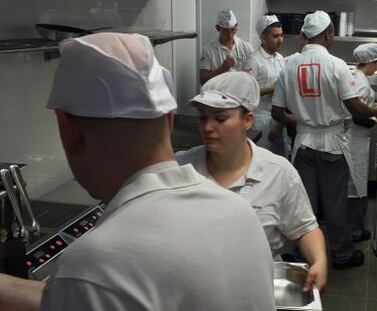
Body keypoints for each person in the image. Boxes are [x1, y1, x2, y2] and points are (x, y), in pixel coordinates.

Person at [0, 33, 275, 311]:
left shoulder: (97, 263)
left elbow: (96, 288)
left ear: (67, 130)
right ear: (168, 120)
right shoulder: (239, 213)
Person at [176, 71, 328, 292]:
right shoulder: (181, 168)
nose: (208, 128)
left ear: (247, 120)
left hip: (256, 290)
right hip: (192, 291)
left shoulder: (278, 173)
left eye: (220, 118)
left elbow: (305, 228)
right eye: (202, 117)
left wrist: (320, 260)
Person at [272, 11, 377, 270]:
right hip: (332, 146)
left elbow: (277, 113)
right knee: (335, 204)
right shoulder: (336, 65)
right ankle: (342, 256)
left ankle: (303, 258)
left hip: (302, 145)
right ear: (328, 34)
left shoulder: (289, 65)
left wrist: (303, 120)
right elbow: (356, 107)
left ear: (306, 35)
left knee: (305, 204)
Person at [347, 43, 377, 243]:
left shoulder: (355, 76)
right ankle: (354, 231)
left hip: (353, 139)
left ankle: (354, 229)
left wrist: (373, 108)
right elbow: (360, 118)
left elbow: (361, 108)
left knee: (355, 185)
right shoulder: (362, 83)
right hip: (354, 141)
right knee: (356, 187)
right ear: (372, 62)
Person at [243, 14, 287, 155]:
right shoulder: (253, 61)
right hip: (259, 120)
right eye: (275, 36)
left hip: (278, 119)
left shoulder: (280, 58)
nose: (280, 40)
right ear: (263, 38)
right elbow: (245, 92)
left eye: (281, 35)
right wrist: (272, 89)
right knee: (260, 159)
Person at [200, 8, 254, 85]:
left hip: (241, 94)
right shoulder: (208, 50)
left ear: (236, 27)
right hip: (218, 94)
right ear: (218, 28)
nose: (229, 35)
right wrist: (222, 69)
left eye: (232, 30)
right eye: (225, 31)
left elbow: (254, 74)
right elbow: (203, 81)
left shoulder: (246, 47)